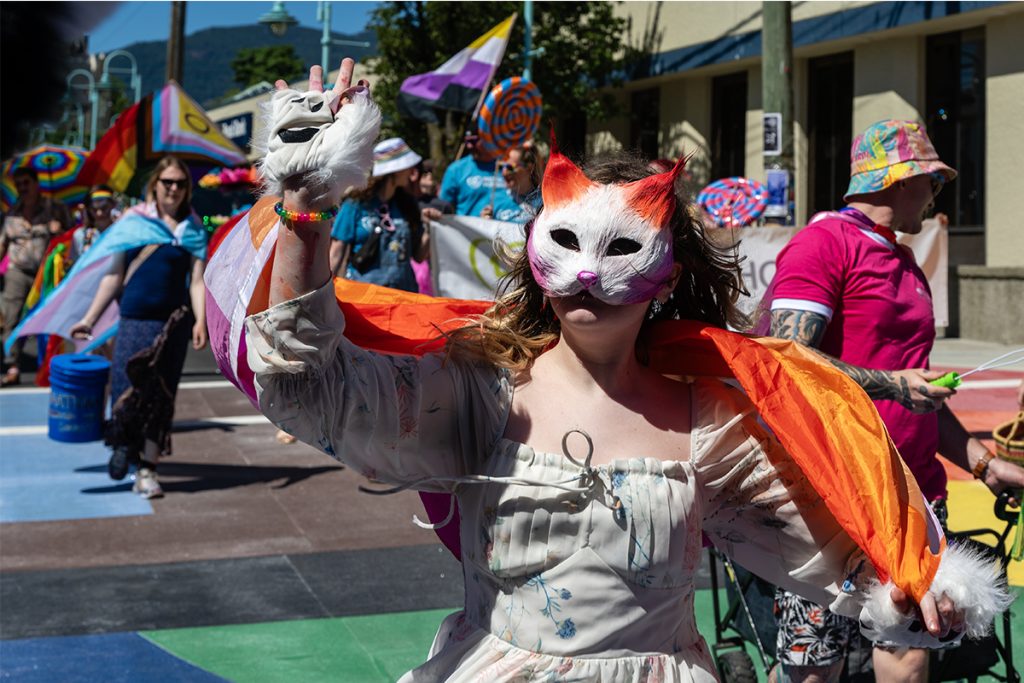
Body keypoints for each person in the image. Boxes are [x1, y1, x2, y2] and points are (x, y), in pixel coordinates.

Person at [218, 61, 1009, 682]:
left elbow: (837, 541)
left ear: (665, 275)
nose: (591, 275)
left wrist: (918, 582)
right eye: (568, 245)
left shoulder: (710, 421)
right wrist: (305, 206)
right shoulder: (480, 391)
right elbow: (307, 387)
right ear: (536, 252)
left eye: (622, 249)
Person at [762, 120, 1024, 683]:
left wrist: (983, 462)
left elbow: (919, 398)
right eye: (934, 182)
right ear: (903, 179)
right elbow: (782, 361)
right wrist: (890, 383)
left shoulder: (905, 262)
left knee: (908, 649)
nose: (935, 198)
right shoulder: (822, 243)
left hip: (914, 496)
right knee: (815, 663)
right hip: (829, 495)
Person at [70, 156, 208, 499]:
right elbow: (114, 275)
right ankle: (124, 445)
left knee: (161, 396)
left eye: (179, 183)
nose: (173, 189)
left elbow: (197, 281)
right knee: (126, 388)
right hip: (134, 320)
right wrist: (88, 318)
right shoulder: (133, 221)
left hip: (174, 323)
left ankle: (148, 469)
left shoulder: (192, 227)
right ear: (155, 185)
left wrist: (201, 319)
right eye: (167, 182)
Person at [328, 137, 429, 293]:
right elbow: (336, 251)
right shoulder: (354, 205)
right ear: (395, 171)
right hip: (364, 296)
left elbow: (419, 257)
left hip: (403, 296)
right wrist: (325, 292)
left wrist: (429, 227)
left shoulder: (408, 206)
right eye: (408, 166)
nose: (411, 172)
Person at [0, 167, 71, 386]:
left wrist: (58, 230)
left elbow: (71, 235)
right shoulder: (11, 214)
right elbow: (2, 243)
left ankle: (49, 365)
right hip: (18, 272)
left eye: (26, 183)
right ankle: (12, 365)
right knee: (12, 318)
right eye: (19, 184)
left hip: (47, 274)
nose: (23, 188)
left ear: (36, 183)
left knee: (48, 320)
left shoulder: (55, 208)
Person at [439, 130, 521, 220]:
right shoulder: (455, 170)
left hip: (507, 229)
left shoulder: (506, 165)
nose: (469, 146)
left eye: (474, 141)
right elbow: (443, 209)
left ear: (488, 139)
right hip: (471, 231)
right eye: (467, 142)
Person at [68, 185, 118, 265]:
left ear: (113, 205)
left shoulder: (121, 231)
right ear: (88, 210)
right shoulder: (80, 235)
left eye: (104, 208)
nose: (99, 213)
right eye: (94, 209)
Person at [498, 142, 544, 223]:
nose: (504, 173)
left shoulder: (545, 202)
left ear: (529, 168)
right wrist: (486, 222)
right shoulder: (497, 197)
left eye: (510, 167)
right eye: (501, 166)